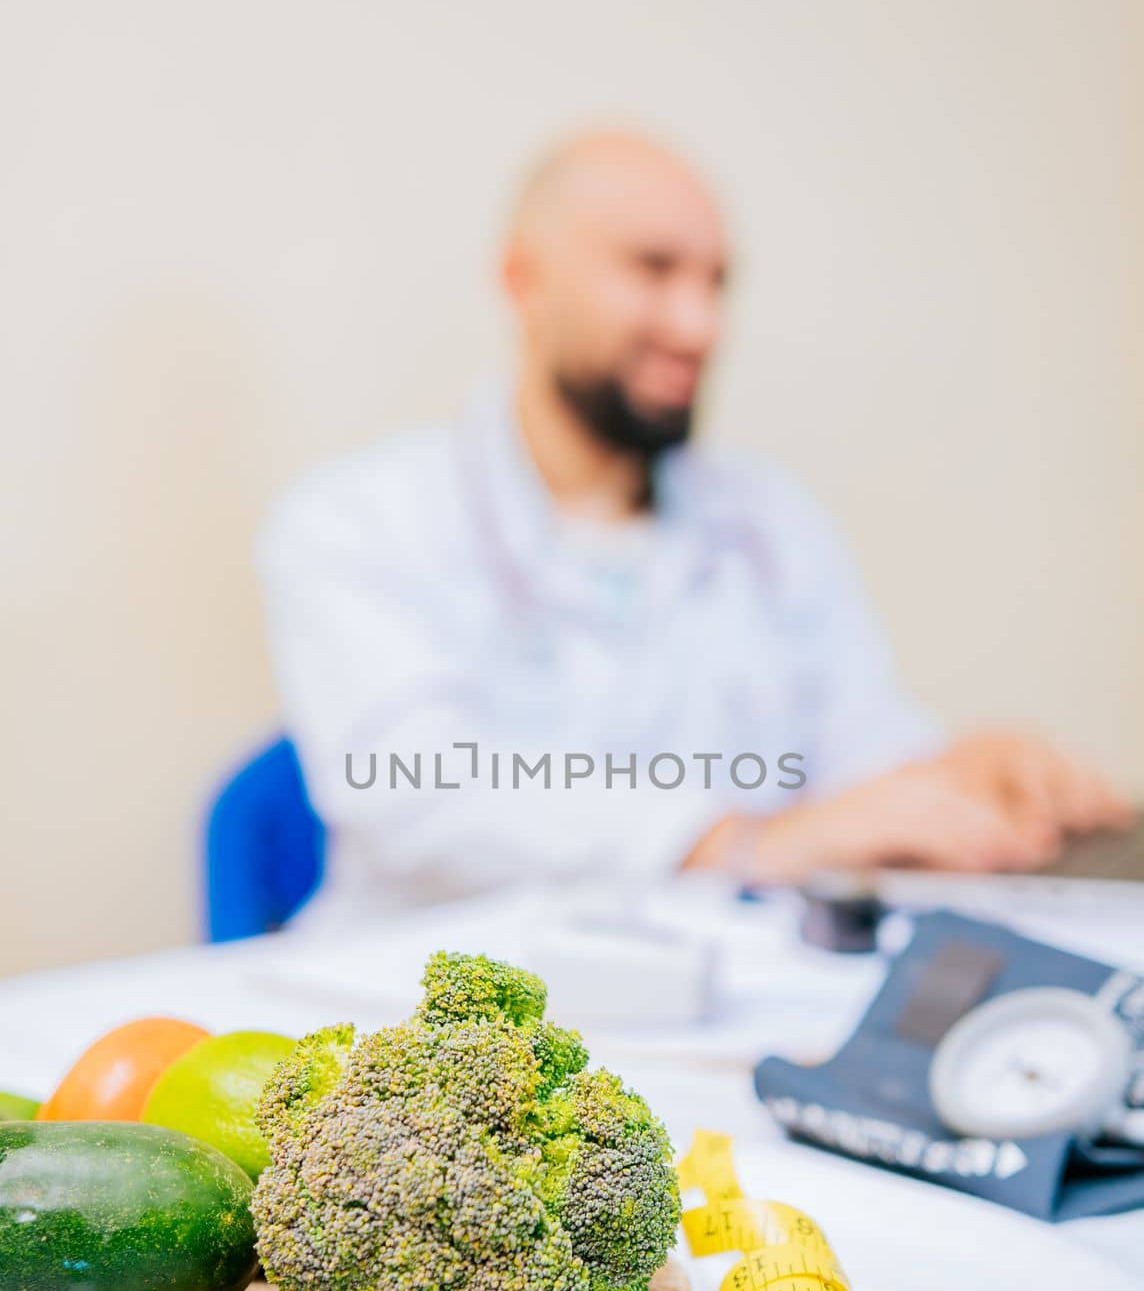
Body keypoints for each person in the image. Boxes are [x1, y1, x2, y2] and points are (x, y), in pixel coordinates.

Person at [258, 130, 1130, 925]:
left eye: (717, 282)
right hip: (423, 1014)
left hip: (718, 998)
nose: (699, 325)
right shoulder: (355, 521)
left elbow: (857, 760)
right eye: (653, 270)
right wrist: (738, 843)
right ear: (524, 278)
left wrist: (963, 778)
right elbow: (411, 789)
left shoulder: (771, 524)